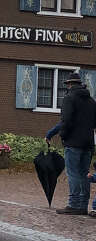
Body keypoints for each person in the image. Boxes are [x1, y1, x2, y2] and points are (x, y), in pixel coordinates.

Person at [45, 72, 96, 215]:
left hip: (73, 143)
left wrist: (63, 136)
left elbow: (65, 121)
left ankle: (74, 204)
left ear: (69, 84)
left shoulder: (69, 98)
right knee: (84, 174)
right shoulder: (92, 101)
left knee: (73, 173)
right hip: (88, 144)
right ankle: (83, 205)